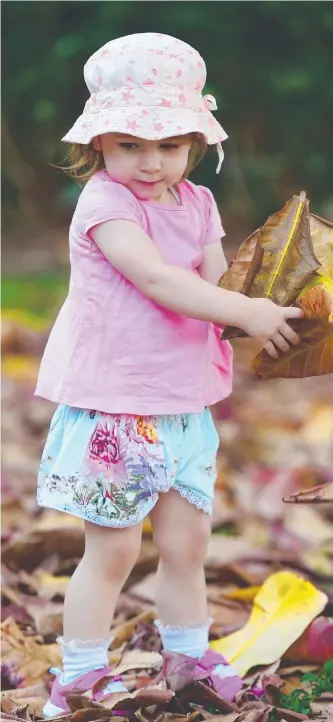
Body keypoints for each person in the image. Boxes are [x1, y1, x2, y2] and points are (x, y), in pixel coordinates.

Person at [35, 32, 303, 717]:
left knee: (187, 543)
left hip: (184, 403)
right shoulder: (105, 205)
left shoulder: (198, 205)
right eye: (130, 144)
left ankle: (187, 654)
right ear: (98, 145)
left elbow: (216, 285)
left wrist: (273, 318)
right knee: (116, 548)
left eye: (167, 144)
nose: (150, 162)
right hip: (118, 403)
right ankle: (82, 674)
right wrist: (242, 306)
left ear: (193, 141)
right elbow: (157, 279)